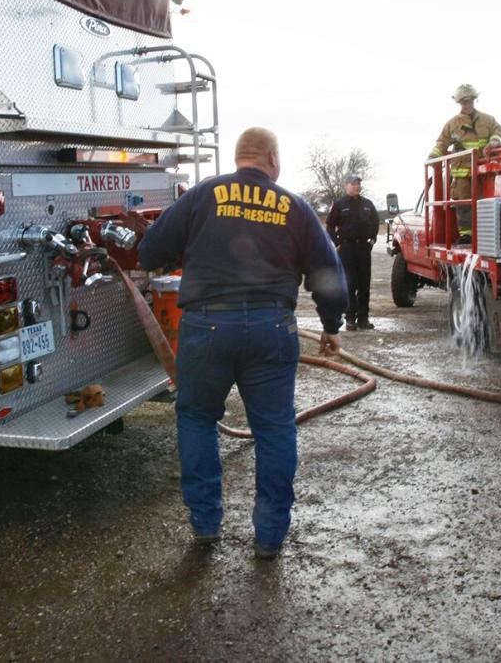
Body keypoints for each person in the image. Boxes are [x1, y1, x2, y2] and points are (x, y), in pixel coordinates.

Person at [137, 127, 348, 559]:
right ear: (272, 159)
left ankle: (205, 523)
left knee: (196, 419)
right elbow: (328, 270)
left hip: (206, 327)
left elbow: (150, 250)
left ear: (239, 158)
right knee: (274, 428)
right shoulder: (294, 206)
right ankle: (269, 536)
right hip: (273, 330)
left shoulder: (202, 195)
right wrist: (331, 325)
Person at [429, 84, 501, 241]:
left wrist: (494, 141)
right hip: (461, 172)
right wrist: (433, 156)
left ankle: (487, 233)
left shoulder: (488, 120)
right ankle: (466, 235)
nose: (467, 105)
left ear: (475, 100)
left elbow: (497, 132)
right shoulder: (452, 124)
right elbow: (442, 143)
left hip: (484, 170)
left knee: (485, 202)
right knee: (463, 205)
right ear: (459, 103)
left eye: (470, 101)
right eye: (464, 102)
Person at [325, 175, 380, 330]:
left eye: (359, 183)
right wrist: (337, 243)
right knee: (350, 283)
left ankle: (363, 318)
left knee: (364, 283)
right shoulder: (339, 204)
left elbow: (376, 223)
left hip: (364, 248)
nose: (357, 186)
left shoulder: (368, 204)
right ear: (346, 186)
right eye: (354, 183)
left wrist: (373, 240)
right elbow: (329, 226)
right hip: (347, 249)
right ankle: (350, 318)